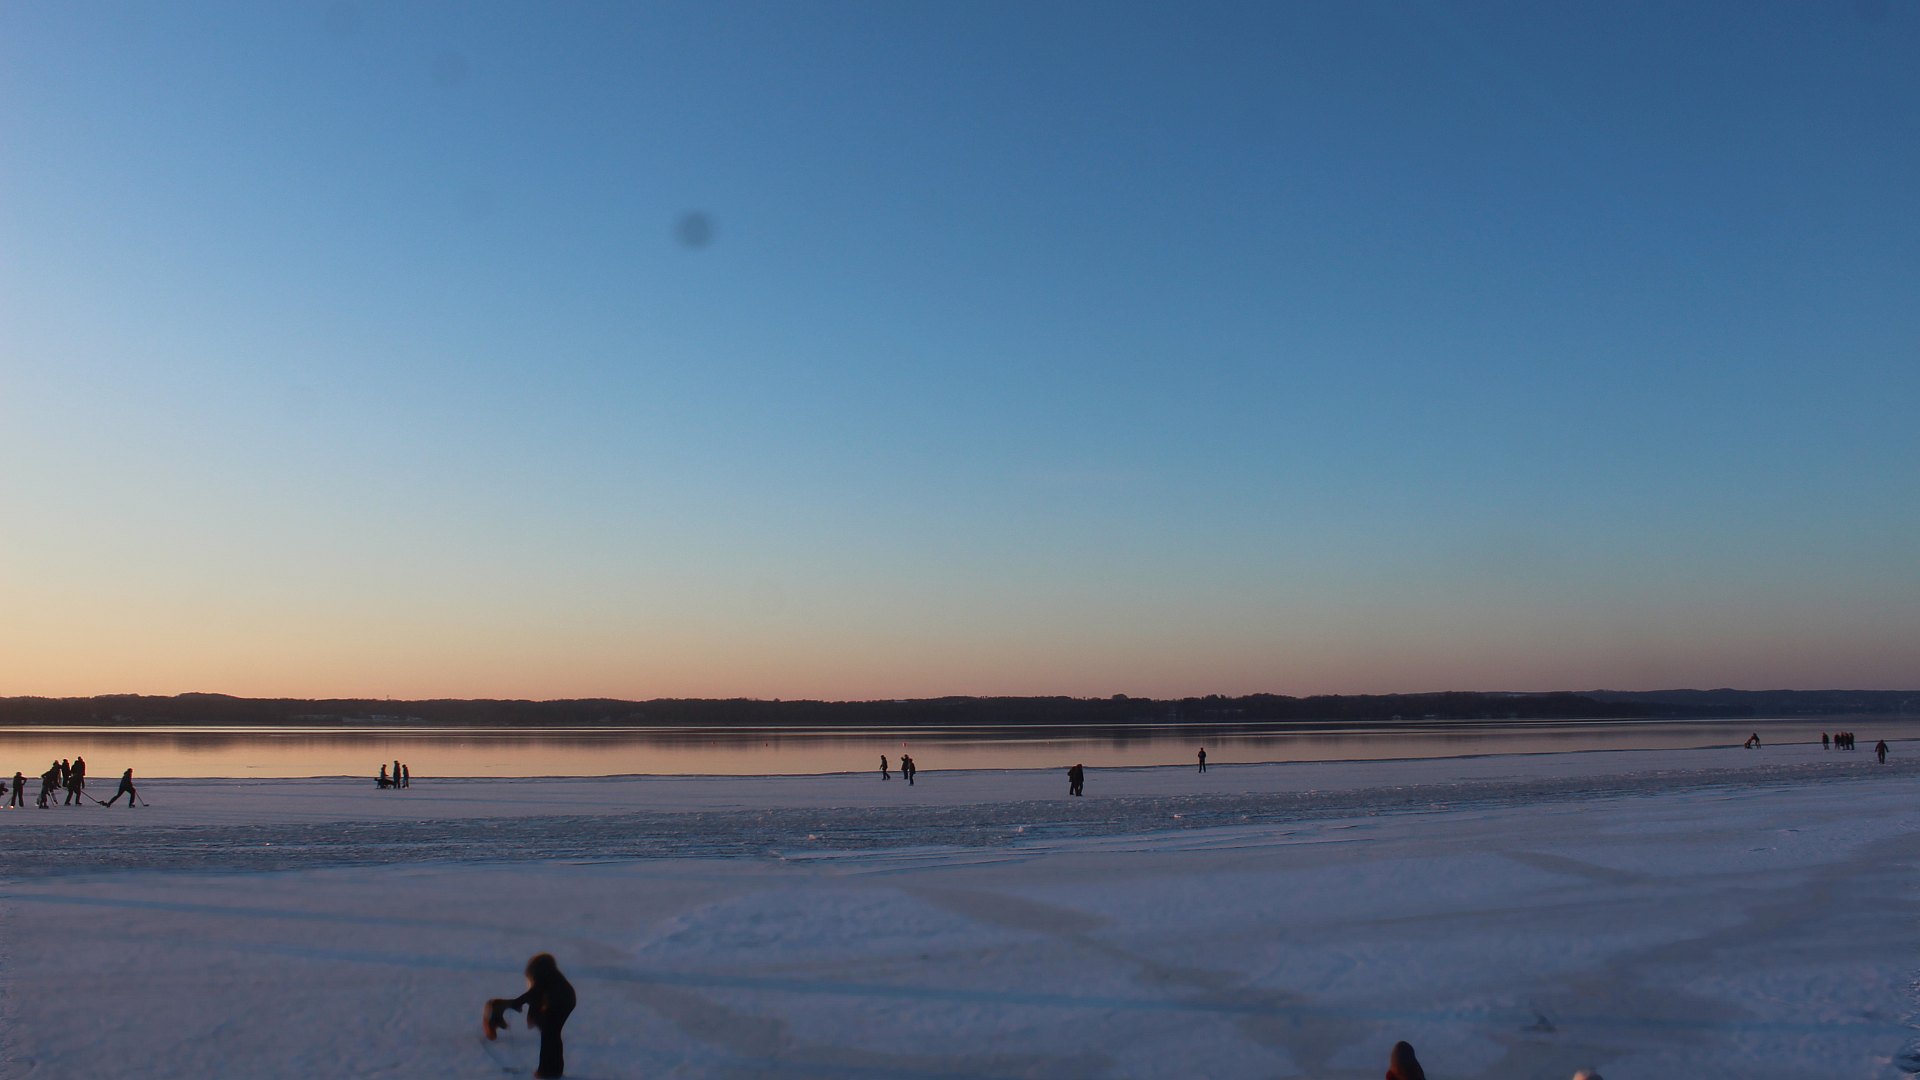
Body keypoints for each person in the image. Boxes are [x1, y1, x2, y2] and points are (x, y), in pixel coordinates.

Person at [488, 952, 577, 1079]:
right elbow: (536, 995)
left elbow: (535, 993)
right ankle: (552, 1071)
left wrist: (519, 1004)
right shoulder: (550, 974)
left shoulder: (540, 974)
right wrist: (527, 1010)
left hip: (559, 1003)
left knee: (550, 1034)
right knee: (552, 1034)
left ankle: (548, 1071)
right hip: (568, 1001)